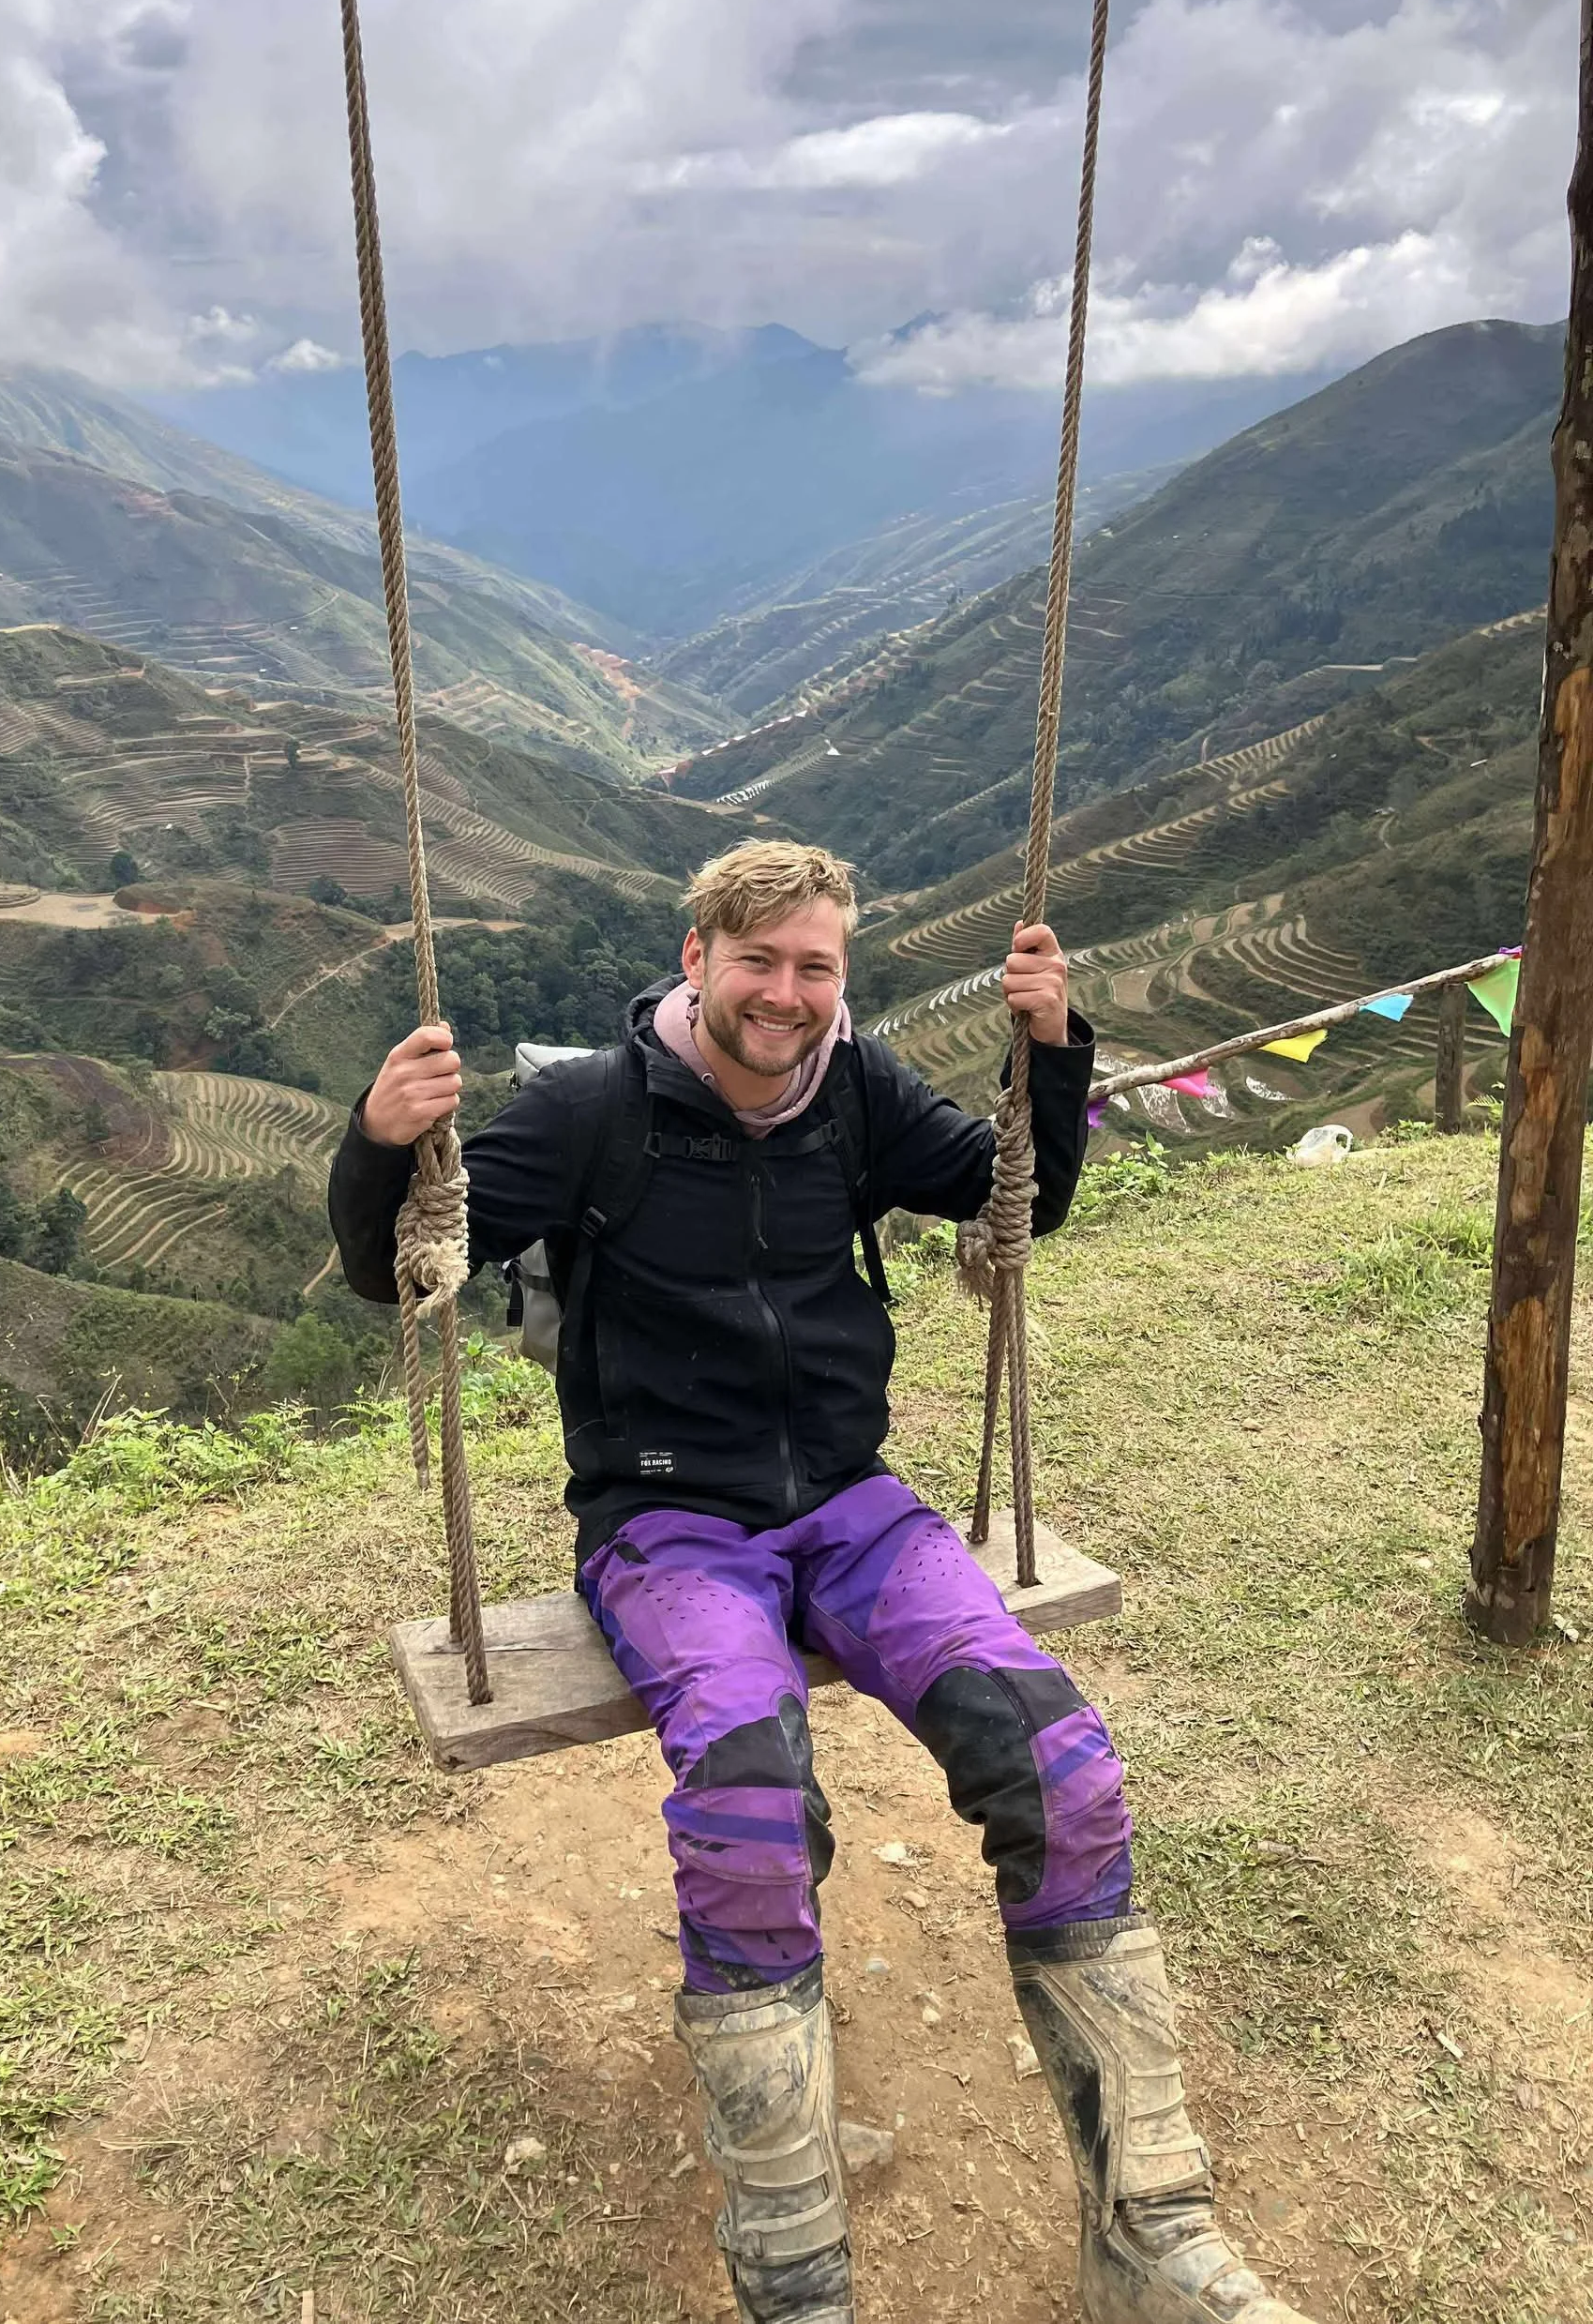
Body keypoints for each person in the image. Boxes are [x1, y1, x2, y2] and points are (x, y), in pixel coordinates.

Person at [328, 839, 1310, 2324]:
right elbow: (398, 1264)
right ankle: (797, 2279)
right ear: (699, 955)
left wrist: (1051, 1053)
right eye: (760, 962)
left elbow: (1015, 1203)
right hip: (668, 1524)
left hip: (853, 1505)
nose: (788, 995)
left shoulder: (859, 1087)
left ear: (841, 979)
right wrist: (376, 1139)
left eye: (817, 968)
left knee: (1065, 1768)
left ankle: (1149, 2230)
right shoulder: (593, 1110)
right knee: (748, 1808)